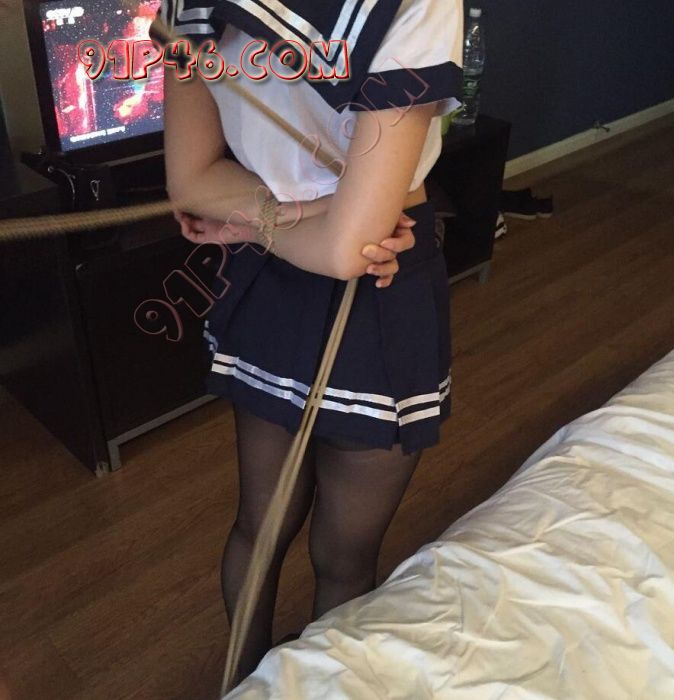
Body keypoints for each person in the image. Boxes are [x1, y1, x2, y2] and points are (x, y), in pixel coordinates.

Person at [151, 0, 463, 683]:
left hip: (274, 268)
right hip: (380, 279)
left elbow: (196, 181)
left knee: (258, 527)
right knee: (345, 559)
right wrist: (344, 213)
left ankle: (244, 684)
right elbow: (349, 249)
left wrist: (283, 219)